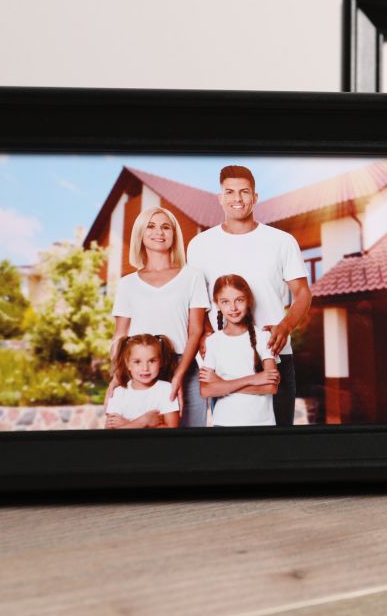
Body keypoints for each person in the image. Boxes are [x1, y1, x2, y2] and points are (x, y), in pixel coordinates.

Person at [187, 165, 311, 427]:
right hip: (225, 359)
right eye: (230, 192)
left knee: (279, 442)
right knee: (230, 442)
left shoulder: (281, 241)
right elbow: (195, 300)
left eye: (244, 192)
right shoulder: (199, 245)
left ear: (255, 197)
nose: (237, 198)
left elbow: (302, 293)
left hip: (274, 354)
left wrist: (286, 326)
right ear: (220, 198)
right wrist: (207, 332)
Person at [110, 206, 210, 428]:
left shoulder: (192, 277)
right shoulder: (127, 284)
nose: (159, 232)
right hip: (140, 369)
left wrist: (178, 376)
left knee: (192, 439)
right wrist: (117, 375)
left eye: (166, 227)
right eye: (151, 226)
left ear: (174, 234)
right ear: (140, 234)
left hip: (183, 365)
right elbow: (120, 335)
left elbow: (196, 331)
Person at [198, 275, 280, 427]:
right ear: (217, 304)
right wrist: (252, 379)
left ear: (249, 300)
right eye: (225, 302)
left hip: (262, 424)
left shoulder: (264, 337)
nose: (233, 308)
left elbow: (271, 387)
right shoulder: (213, 342)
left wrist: (221, 384)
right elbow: (206, 391)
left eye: (239, 300)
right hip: (224, 423)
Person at [104, 333, 180, 429]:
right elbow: (110, 434)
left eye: (152, 361)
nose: (145, 368)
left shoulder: (166, 389)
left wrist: (127, 425)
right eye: (137, 362)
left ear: (160, 362)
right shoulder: (118, 393)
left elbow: (172, 430)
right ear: (127, 363)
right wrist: (144, 421)